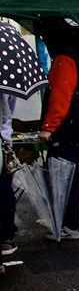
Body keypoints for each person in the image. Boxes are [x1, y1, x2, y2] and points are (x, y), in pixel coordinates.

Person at [38, 21, 79, 240]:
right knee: (70, 175)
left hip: (67, 129)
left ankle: (68, 225)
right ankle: (71, 224)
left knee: (62, 178)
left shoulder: (64, 59)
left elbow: (60, 97)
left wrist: (47, 127)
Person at [1, 92, 18, 255]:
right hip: (3, 140)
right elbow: (10, 108)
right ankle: (6, 236)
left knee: (4, 190)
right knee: (4, 189)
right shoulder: (7, 76)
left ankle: (5, 235)